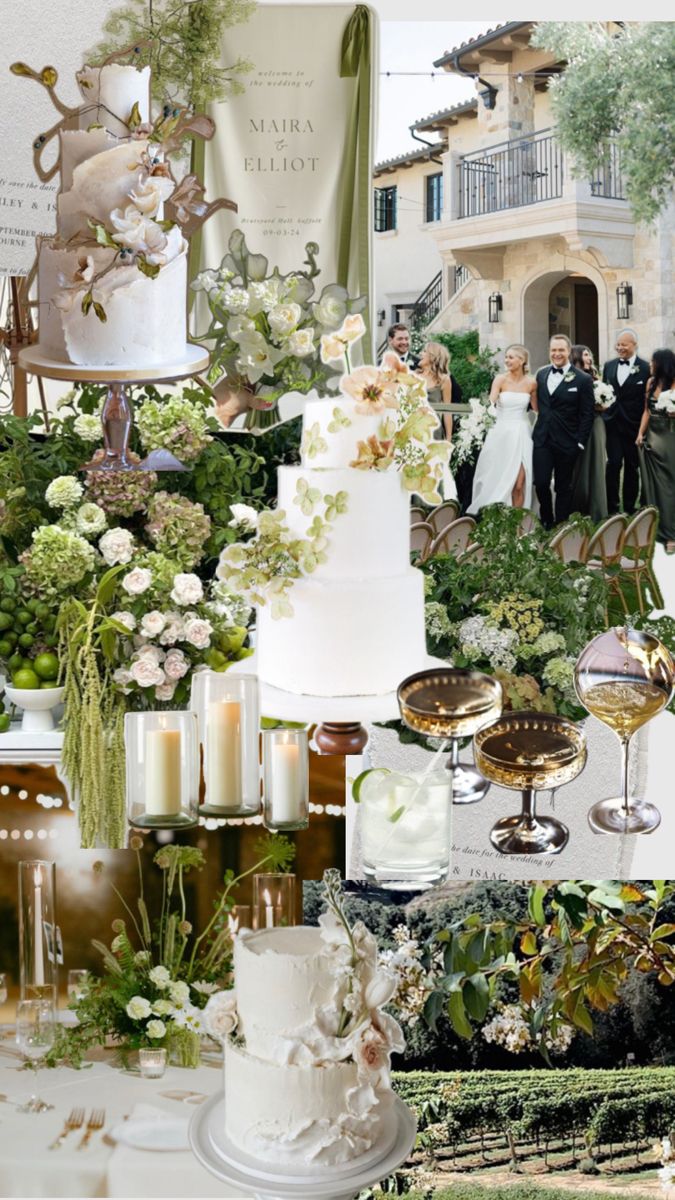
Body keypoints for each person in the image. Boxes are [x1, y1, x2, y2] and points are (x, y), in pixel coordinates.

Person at [533, 333, 595, 529]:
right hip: (542, 439)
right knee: (541, 482)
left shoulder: (583, 380)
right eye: (553, 350)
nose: (557, 354)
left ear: (569, 351)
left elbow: (587, 414)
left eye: (561, 350)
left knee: (563, 486)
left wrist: (580, 442)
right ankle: (546, 518)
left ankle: (560, 524)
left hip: (568, 441)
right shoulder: (541, 375)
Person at [468, 344, 537, 514]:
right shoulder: (500, 379)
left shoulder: (532, 383)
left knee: (520, 483)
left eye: (511, 357)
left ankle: (517, 524)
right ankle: (496, 520)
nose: (507, 360)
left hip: (522, 433)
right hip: (501, 433)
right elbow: (490, 403)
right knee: (497, 477)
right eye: (506, 357)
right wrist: (481, 415)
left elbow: (537, 410)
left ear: (522, 361)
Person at [602, 329, 650, 515]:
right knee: (613, 464)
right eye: (618, 344)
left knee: (632, 466)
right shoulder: (609, 366)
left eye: (624, 344)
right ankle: (611, 507)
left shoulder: (645, 368)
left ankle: (630, 507)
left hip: (634, 425)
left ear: (634, 345)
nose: (620, 348)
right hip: (612, 424)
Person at [637, 348, 675, 552]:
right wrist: (640, 433)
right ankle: (654, 528)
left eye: (653, 362)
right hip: (652, 436)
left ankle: (671, 533)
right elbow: (646, 411)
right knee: (651, 483)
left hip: (670, 436)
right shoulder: (651, 382)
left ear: (663, 364)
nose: (650, 364)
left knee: (669, 483)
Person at [570, 344, 609, 523]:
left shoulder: (596, 377)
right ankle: (578, 508)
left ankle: (597, 509)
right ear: (577, 357)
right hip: (577, 425)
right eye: (585, 355)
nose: (589, 358)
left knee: (597, 464)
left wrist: (603, 402)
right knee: (579, 467)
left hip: (597, 424)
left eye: (590, 354)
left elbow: (605, 402)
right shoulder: (571, 377)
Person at [418, 341, 457, 501]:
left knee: (433, 467)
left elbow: (447, 411)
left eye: (424, 351)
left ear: (433, 356)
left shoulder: (444, 380)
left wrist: (448, 438)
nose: (421, 353)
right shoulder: (414, 376)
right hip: (416, 429)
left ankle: (433, 507)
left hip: (434, 431)